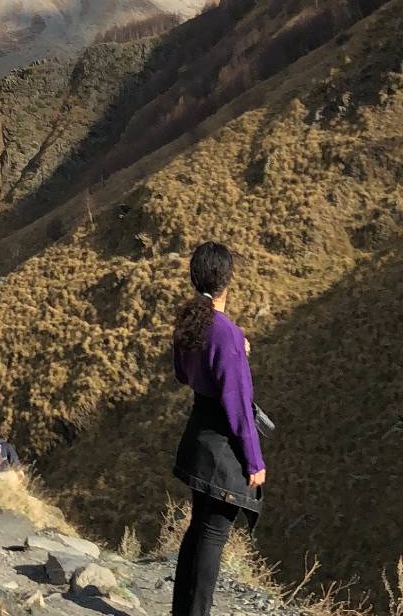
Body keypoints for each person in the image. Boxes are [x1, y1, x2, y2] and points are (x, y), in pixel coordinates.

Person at [170, 242, 265, 616]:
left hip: (198, 434)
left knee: (198, 530)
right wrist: (254, 460)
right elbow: (238, 405)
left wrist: (232, 349)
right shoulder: (226, 333)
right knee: (213, 536)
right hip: (223, 444)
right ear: (228, 281)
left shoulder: (191, 321)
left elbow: (182, 373)